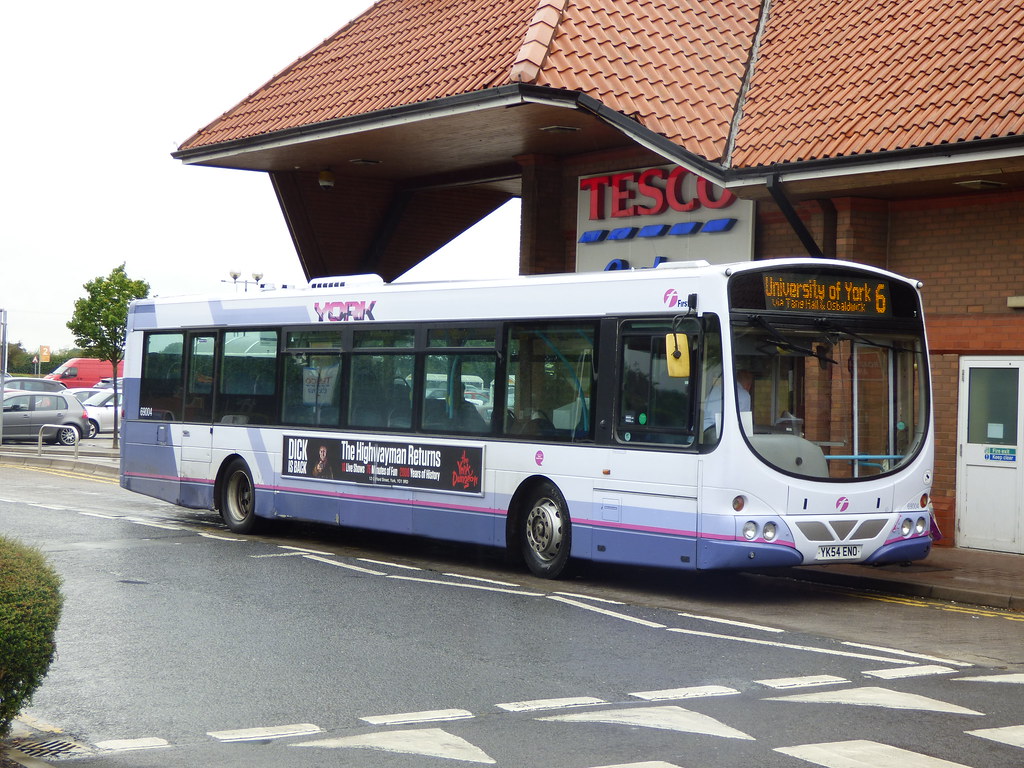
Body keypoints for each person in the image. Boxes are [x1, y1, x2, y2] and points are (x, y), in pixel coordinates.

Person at [703, 369, 753, 437]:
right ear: (748, 385)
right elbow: (743, 424)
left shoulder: (714, 390)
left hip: (700, 431)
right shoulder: (745, 395)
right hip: (716, 435)